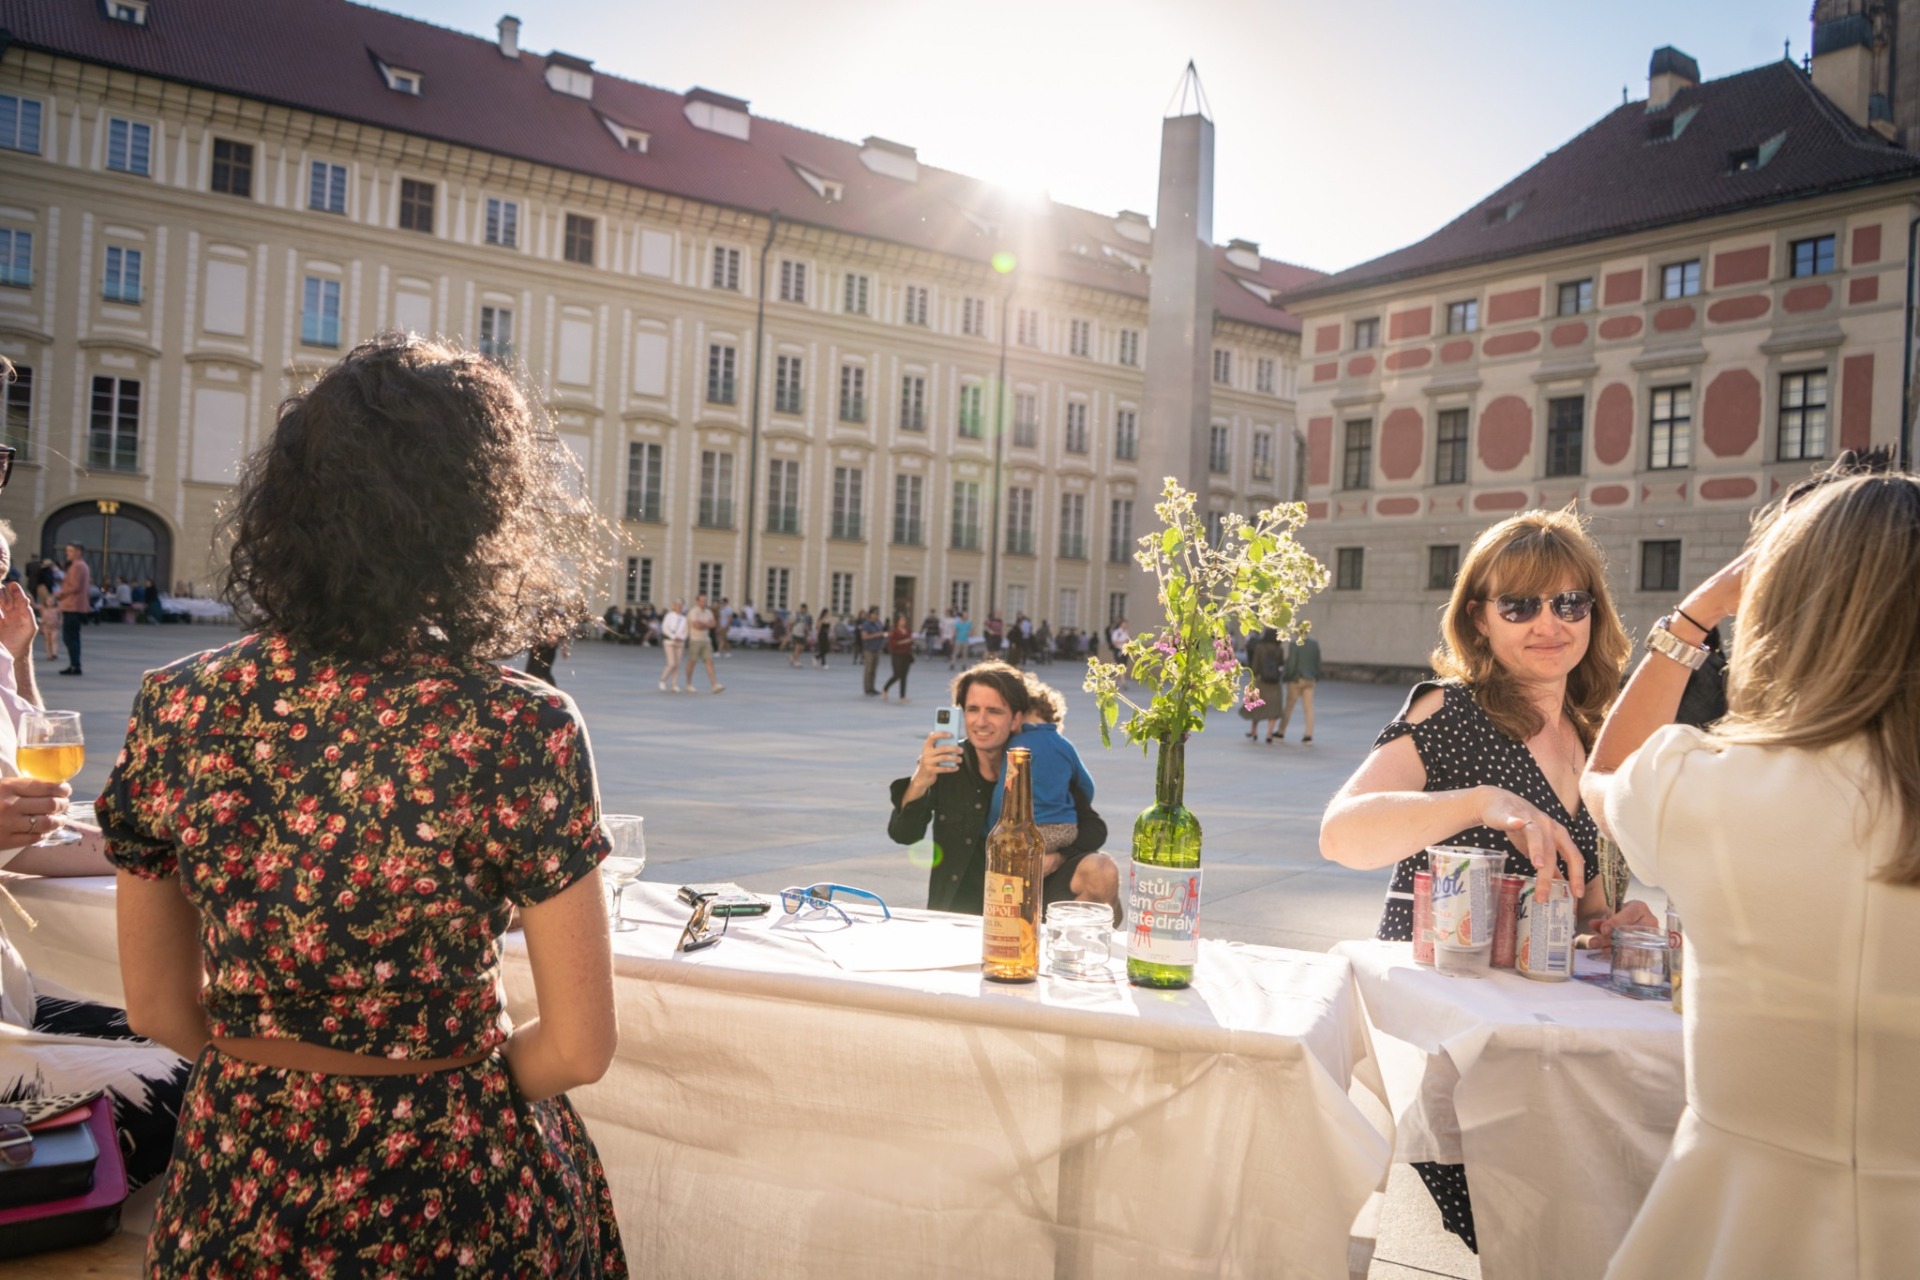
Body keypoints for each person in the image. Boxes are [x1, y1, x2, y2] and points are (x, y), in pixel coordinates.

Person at [96, 334, 627, 1275]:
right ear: (477, 516)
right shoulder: (514, 721)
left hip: (242, 1190)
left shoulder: (178, 704)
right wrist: (450, 1090)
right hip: (460, 1191)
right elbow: (580, 1048)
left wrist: (276, 1072)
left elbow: (156, 1007)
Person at [1580, 474, 1920, 1280]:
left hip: (1737, 1224)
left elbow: (1608, 772)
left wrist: (1696, 613)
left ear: (1778, 614)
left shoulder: (1711, 790)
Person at [1319, 507, 1655, 1254]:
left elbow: (1592, 894)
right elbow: (1341, 834)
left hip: (1556, 1038)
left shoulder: (1600, 733)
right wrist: (1479, 802)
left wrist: (1616, 922)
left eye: (1570, 602)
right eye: (1520, 605)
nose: (1549, 623)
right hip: (1462, 1043)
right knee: (1522, 1231)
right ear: (1479, 618)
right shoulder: (1452, 711)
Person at [0, 491, 190, 1194]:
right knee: (199, 1088)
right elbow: (27, 836)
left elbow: (29, 775)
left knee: (215, 1045)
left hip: (13, 996)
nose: (8, 593)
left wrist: (17, 657)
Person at [888, 661, 1120, 918]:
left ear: (1016, 719)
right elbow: (904, 834)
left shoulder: (1037, 759)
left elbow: (1093, 828)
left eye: (994, 711)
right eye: (972, 709)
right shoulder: (949, 764)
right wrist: (921, 779)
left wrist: (1056, 858)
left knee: (1103, 870)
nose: (981, 721)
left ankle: (1069, 949)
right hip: (966, 906)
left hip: (1035, 899)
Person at [988, 675, 1097, 863]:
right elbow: (1087, 787)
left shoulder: (1017, 745)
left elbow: (1002, 795)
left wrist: (990, 826)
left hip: (1031, 833)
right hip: (1067, 829)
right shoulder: (1064, 745)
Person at [1241, 627, 1286, 742]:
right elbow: (1281, 664)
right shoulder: (1279, 649)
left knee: (1256, 706)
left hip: (1261, 681)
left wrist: (1253, 677)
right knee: (1273, 709)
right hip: (1274, 683)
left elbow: (1255, 665)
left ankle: (1254, 731)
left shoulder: (1260, 648)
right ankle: (1269, 734)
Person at [1278, 629, 1321, 742]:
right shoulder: (1314, 644)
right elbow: (1318, 662)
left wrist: (1287, 677)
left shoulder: (1294, 643)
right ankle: (1308, 735)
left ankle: (1280, 733)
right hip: (1310, 679)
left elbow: (1292, 663)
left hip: (1296, 679)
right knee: (1309, 708)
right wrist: (1316, 676)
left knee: (1289, 707)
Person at [56, 540, 90, 675]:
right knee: (72, 636)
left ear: (78, 552)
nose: (67, 554)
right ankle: (74, 664)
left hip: (72, 605)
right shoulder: (81, 566)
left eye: (70, 551)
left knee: (70, 637)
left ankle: (75, 665)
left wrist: (58, 594)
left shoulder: (78, 566)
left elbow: (74, 586)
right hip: (74, 605)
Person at [683, 592, 724, 693]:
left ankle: (714, 684)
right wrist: (707, 624)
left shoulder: (708, 612)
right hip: (695, 639)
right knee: (692, 661)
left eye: (705, 601)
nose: (703, 603)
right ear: (697, 601)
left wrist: (704, 624)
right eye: (701, 601)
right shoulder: (693, 611)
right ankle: (688, 684)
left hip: (706, 639)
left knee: (709, 661)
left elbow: (714, 624)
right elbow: (696, 625)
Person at [881, 612, 916, 702]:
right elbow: (892, 644)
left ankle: (902, 696)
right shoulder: (894, 632)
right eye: (901, 620)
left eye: (904, 620)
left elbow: (911, 641)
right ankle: (885, 688)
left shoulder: (908, 631)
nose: (903, 622)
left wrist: (911, 641)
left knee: (904, 676)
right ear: (897, 622)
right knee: (897, 674)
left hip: (906, 655)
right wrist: (905, 641)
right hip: (897, 655)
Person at [659, 597, 689, 691]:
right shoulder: (669, 615)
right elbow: (664, 628)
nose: (679, 607)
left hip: (680, 643)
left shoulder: (684, 618)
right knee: (672, 663)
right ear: (674, 606)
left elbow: (686, 631)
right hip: (669, 642)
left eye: (680, 605)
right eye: (677, 605)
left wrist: (682, 638)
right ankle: (663, 680)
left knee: (677, 664)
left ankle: (674, 684)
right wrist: (673, 636)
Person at [858, 606, 886, 696]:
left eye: (877, 614)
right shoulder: (867, 624)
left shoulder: (878, 623)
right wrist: (877, 635)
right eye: (874, 614)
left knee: (874, 669)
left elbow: (881, 632)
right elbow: (864, 637)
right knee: (868, 669)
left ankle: (872, 687)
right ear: (870, 614)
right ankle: (867, 689)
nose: (876, 615)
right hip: (868, 649)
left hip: (876, 649)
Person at [790, 603, 813, 668]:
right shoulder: (796, 615)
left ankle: (793, 657)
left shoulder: (808, 616)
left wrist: (808, 631)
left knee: (801, 648)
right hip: (796, 632)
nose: (802, 610)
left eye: (804, 609)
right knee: (797, 647)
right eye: (801, 609)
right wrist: (790, 631)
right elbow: (791, 623)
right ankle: (796, 661)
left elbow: (809, 625)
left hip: (803, 634)